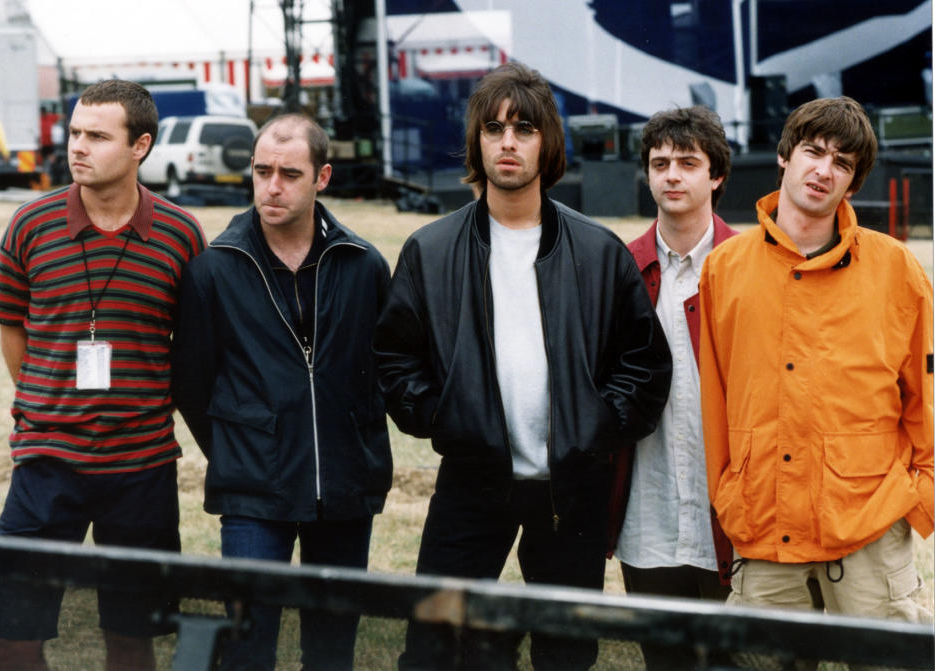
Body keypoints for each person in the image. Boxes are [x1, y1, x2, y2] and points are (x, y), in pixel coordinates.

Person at [374, 61, 672, 670]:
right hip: (471, 478)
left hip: (572, 487)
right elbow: (394, 357)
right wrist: (441, 414)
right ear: (477, 142)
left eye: (524, 128)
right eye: (494, 128)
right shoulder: (430, 250)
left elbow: (644, 365)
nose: (508, 141)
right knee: (433, 646)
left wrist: (594, 426)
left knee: (564, 652)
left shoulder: (597, 249)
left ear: (548, 142)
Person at [0, 80, 206, 671]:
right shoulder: (30, 224)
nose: (77, 147)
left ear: (140, 145)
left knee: (133, 637)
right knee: (12, 633)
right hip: (46, 460)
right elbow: (10, 322)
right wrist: (42, 400)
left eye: (97, 136)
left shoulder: (181, 235)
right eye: (75, 133)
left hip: (142, 466)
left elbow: (191, 347)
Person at [700, 97, 933, 632]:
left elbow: (925, 397)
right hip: (763, 522)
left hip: (870, 525)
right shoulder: (724, 270)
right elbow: (714, 399)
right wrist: (729, 494)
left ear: (852, 184)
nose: (824, 170)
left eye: (843, 163)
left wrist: (921, 498)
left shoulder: (897, 269)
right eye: (814, 151)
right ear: (785, 156)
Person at [172, 113, 392, 671]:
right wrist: (241, 447)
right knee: (247, 647)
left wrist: (358, 443)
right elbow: (192, 383)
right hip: (252, 490)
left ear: (322, 178)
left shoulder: (363, 264)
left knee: (331, 648)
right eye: (262, 170)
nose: (272, 186)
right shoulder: (214, 270)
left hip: (344, 487)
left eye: (289, 174)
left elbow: (385, 368)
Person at [607, 105, 737, 670]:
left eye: (689, 162)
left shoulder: (749, 265)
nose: (672, 175)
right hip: (648, 513)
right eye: (660, 163)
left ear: (716, 176)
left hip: (731, 517)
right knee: (665, 662)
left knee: (737, 661)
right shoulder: (619, 267)